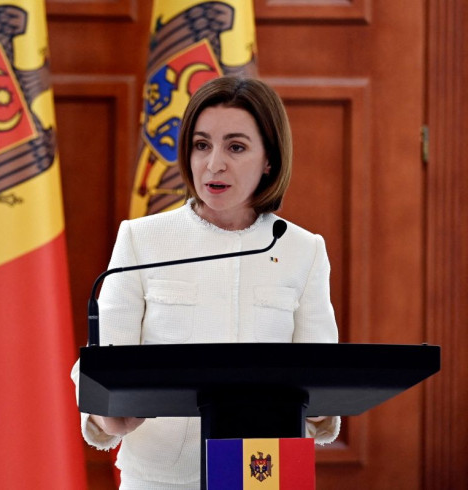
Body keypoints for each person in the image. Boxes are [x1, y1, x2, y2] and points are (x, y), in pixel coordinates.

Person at [71, 76, 340, 489]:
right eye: (202, 145)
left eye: (236, 147)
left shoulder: (301, 249)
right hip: (159, 479)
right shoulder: (142, 239)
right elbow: (102, 367)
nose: (214, 164)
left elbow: (322, 378)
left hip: (261, 473)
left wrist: (320, 404)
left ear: (269, 158)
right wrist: (109, 412)